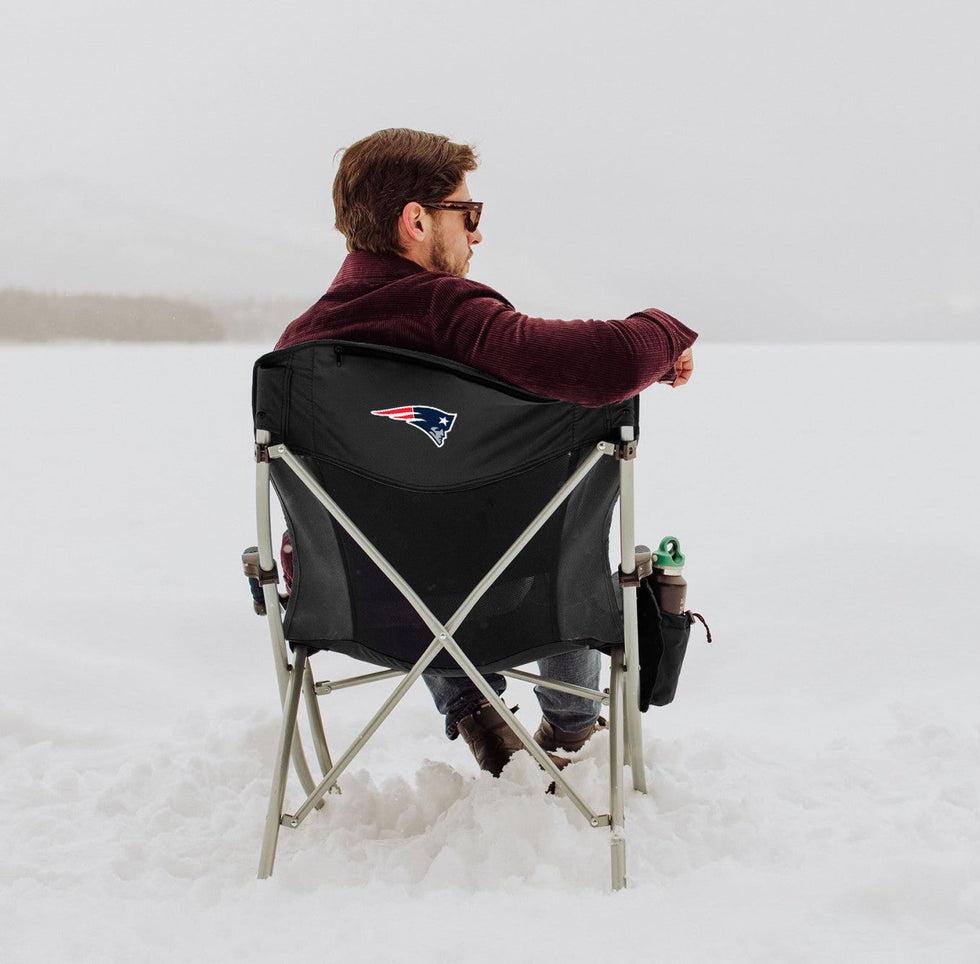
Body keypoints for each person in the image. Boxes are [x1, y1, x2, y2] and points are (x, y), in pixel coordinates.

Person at [275, 127, 696, 778]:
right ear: (415, 220)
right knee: (560, 525)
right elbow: (608, 364)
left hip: (354, 607)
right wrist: (666, 337)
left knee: (401, 540)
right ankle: (573, 727)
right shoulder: (452, 315)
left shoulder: (296, 355)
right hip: (508, 605)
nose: (476, 235)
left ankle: (474, 711)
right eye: (467, 215)